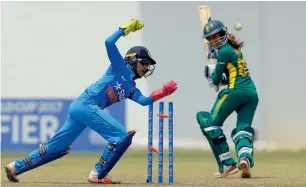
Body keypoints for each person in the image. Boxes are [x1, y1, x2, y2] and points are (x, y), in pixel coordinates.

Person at [4, 19, 178, 184]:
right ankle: (98, 172)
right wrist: (125, 29)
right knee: (120, 137)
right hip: (86, 105)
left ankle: (15, 167)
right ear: (132, 60)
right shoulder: (119, 66)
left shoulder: (132, 88)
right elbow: (109, 43)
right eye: (144, 63)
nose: (146, 67)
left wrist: (162, 92)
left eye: (148, 65)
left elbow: (144, 101)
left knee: (55, 147)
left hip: (80, 108)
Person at [196, 20, 259, 178]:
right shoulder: (235, 49)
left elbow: (217, 80)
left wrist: (212, 76)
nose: (213, 40)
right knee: (243, 129)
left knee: (209, 123)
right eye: (210, 38)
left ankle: (227, 163)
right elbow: (230, 73)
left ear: (223, 33)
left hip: (234, 92)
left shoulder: (223, 51)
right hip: (251, 93)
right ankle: (244, 158)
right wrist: (218, 75)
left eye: (215, 36)